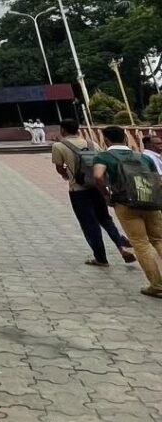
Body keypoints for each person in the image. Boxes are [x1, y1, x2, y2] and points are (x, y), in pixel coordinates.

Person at [51, 119, 135, 267]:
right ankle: (122, 248)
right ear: (78, 129)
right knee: (105, 219)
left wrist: (67, 176)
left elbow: (59, 168)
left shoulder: (59, 146)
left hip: (78, 190)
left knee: (90, 224)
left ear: (62, 130)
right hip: (97, 188)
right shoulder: (93, 144)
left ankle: (101, 258)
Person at [93, 125, 162, 298]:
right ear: (125, 138)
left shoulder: (103, 156)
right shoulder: (142, 156)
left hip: (125, 204)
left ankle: (157, 285)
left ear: (105, 139)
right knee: (159, 239)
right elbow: (157, 179)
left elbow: (98, 176)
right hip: (150, 202)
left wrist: (106, 195)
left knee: (140, 243)